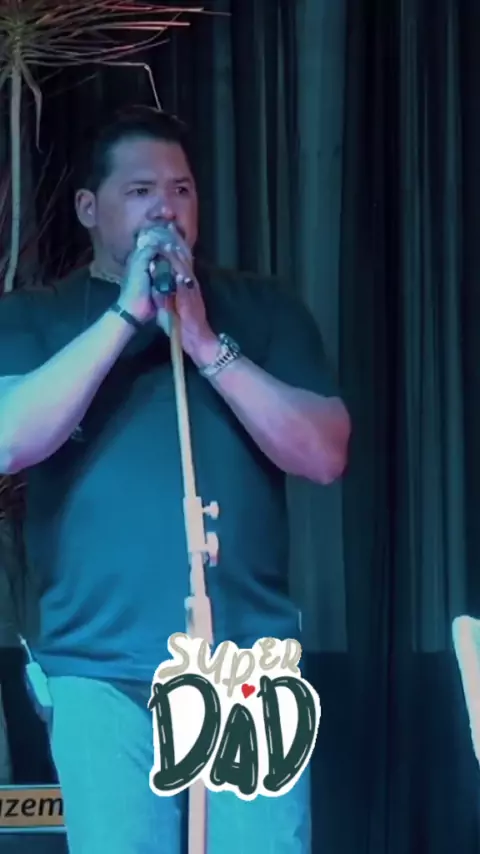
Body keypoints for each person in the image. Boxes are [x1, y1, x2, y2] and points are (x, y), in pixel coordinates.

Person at [0, 106, 351, 854]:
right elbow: (9, 441)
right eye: (140, 192)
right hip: (99, 669)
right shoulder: (36, 317)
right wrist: (126, 318)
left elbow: (324, 454)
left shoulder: (260, 307)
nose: (165, 208)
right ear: (88, 208)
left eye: (181, 189)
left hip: (247, 661)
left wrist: (202, 341)